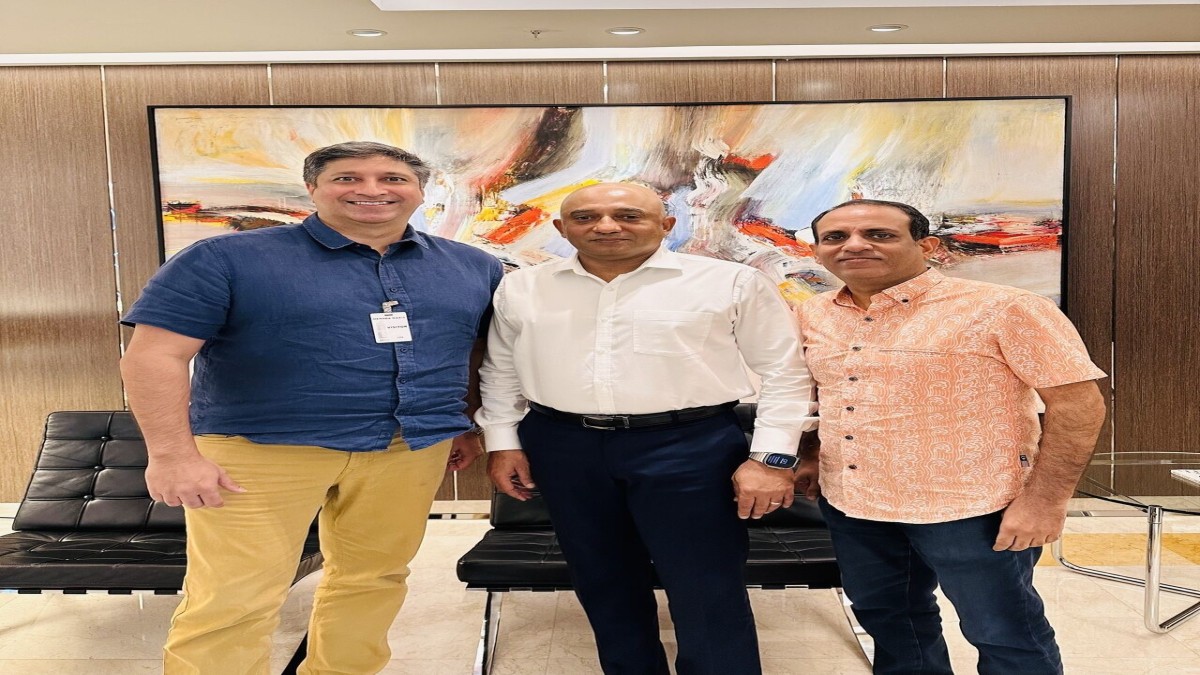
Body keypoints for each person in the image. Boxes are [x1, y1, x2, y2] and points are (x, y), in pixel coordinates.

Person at [119, 141, 503, 674]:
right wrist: (171, 455)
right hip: (258, 452)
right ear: (313, 189)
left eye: (392, 178)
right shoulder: (225, 259)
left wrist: (462, 422)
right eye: (348, 178)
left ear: (419, 191)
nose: (371, 190)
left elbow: (471, 351)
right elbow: (154, 356)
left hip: (407, 449)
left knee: (374, 580)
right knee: (234, 596)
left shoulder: (473, 266)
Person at [477, 182, 817, 675]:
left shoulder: (730, 283)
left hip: (690, 445)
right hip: (563, 444)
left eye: (628, 215)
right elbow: (501, 369)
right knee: (602, 579)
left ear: (666, 224)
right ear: (561, 228)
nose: (607, 226)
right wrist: (503, 441)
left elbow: (786, 372)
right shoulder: (524, 286)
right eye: (586, 217)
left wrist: (770, 458)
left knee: (706, 584)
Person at [794, 199, 1107, 675]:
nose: (854, 244)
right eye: (835, 237)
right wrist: (813, 451)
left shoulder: (1006, 308)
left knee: (1003, 632)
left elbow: (1078, 405)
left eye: (879, 234)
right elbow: (825, 394)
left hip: (970, 506)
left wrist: (1046, 500)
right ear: (818, 252)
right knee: (891, 622)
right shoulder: (813, 314)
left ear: (928, 246)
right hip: (854, 503)